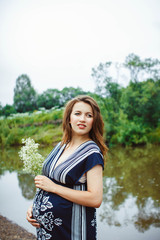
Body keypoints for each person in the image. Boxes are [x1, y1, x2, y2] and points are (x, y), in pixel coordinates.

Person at [26, 95, 108, 240]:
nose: (82, 119)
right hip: (49, 231)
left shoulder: (92, 153)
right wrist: (35, 208)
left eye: (89, 115)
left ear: (94, 121)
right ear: (69, 118)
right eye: (77, 114)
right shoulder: (61, 145)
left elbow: (95, 199)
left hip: (71, 231)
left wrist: (54, 188)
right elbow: (48, 182)